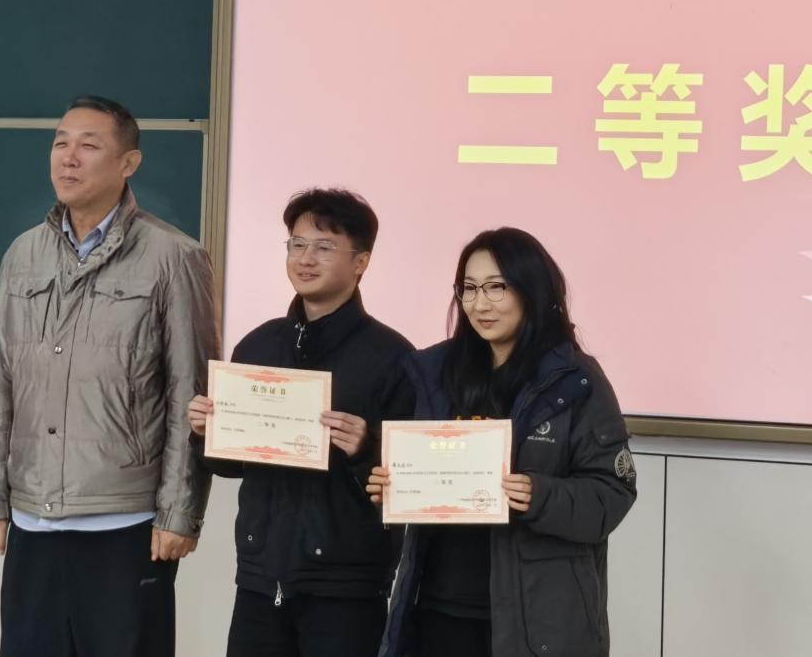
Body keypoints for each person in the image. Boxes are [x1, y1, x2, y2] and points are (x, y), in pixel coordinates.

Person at [0, 95, 217, 657]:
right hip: (32, 517)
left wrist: (180, 513)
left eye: (89, 145)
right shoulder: (22, 255)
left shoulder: (173, 257)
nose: (69, 157)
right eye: (60, 143)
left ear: (129, 163)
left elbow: (190, 392)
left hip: (124, 523)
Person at [368, 227, 636, 657]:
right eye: (469, 288)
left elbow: (611, 493)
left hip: (534, 617)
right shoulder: (437, 375)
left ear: (532, 290)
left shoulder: (575, 381)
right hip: (438, 607)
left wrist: (539, 495)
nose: (480, 304)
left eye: (497, 287)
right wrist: (395, 487)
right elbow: (423, 474)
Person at [188, 188, 414, 657]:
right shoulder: (258, 346)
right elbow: (232, 466)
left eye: (324, 247)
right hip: (259, 575)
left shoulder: (393, 357)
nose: (306, 258)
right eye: (297, 244)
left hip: (346, 588)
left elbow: (412, 484)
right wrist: (206, 432)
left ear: (361, 261)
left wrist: (366, 448)